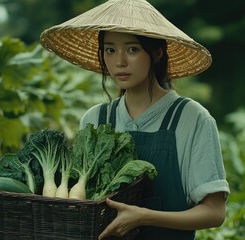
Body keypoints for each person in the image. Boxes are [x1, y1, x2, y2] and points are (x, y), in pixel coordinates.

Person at [40, 0, 230, 239]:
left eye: (132, 49)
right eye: (110, 50)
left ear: (157, 53)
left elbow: (215, 212)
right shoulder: (95, 119)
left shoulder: (191, 119)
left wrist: (144, 216)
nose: (119, 61)